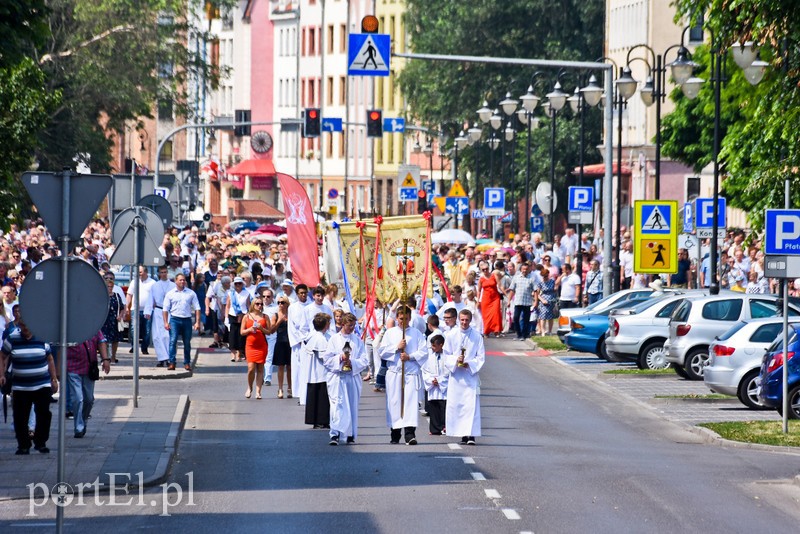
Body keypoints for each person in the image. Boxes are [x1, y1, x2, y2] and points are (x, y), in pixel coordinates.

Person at [0, 306, 58, 454]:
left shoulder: (42, 336)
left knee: (44, 414)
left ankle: (40, 442)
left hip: (42, 384)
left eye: (28, 326)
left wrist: (53, 378)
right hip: (21, 386)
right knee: (20, 417)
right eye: (22, 326)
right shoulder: (13, 338)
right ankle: (23, 445)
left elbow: (50, 359)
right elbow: (2, 356)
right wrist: (2, 374)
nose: (25, 329)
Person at [378, 305, 426, 445]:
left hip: (410, 374)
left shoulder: (416, 334)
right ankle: (395, 433)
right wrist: (396, 348)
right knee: (395, 403)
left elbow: (424, 352)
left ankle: (410, 434)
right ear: (396, 318)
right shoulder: (390, 333)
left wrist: (409, 356)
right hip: (395, 374)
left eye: (405, 318)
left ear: (410, 318)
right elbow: (382, 351)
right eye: (400, 318)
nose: (402, 321)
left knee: (410, 404)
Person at [323, 312, 369, 445]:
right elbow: (326, 359)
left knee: (351, 405)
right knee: (337, 406)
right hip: (338, 377)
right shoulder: (334, 340)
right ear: (343, 324)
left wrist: (352, 363)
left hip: (351, 377)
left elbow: (364, 359)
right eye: (349, 325)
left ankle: (350, 434)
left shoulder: (357, 340)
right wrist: (340, 358)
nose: (352, 328)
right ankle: (335, 434)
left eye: (354, 325)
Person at [443, 309, 484, 446]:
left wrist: (469, 364)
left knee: (470, 406)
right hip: (456, 377)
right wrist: (456, 360)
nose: (464, 322)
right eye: (462, 320)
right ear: (458, 319)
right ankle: (461, 433)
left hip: (469, 376)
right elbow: (446, 355)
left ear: (470, 320)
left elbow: (481, 357)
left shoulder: (477, 336)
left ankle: (471, 434)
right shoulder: (451, 335)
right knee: (457, 406)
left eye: (466, 320)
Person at [66, 330, 110, 438]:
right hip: (72, 367)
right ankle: (78, 427)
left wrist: (105, 359)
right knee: (77, 398)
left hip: (89, 369)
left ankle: (83, 420)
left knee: (89, 400)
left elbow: (101, 341)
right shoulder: (69, 326)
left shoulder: (93, 326)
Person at [162, 273, 202, 371]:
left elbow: (197, 308)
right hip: (175, 319)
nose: (182, 282)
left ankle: (187, 362)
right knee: (173, 340)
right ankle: (172, 362)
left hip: (186, 320)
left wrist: (197, 322)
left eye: (184, 280)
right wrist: (166, 322)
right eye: (180, 280)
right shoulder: (170, 294)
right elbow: (165, 309)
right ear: (176, 281)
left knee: (187, 342)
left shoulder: (191, 293)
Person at [240, 296, 271, 399]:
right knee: (251, 368)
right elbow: (242, 332)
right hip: (250, 346)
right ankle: (249, 387)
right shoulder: (247, 316)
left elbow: (269, 331)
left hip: (261, 345)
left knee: (260, 369)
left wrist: (261, 328)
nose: (259, 306)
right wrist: (250, 329)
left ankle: (258, 391)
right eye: (257, 304)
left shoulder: (265, 317)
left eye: (261, 304)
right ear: (253, 305)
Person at [305, 313, 332, 428]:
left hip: (315, 372)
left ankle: (317, 420)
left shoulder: (316, 335)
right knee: (321, 397)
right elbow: (323, 356)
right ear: (325, 325)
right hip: (320, 372)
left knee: (316, 396)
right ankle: (321, 420)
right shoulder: (320, 338)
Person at [146, 265, 176, 367]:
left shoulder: (173, 285)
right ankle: (161, 358)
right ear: (159, 274)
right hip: (158, 311)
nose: (163, 274)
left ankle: (169, 358)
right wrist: (148, 311)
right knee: (157, 336)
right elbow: (150, 299)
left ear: (167, 273)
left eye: (165, 272)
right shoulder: (155, 286)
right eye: (161, 272)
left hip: (169, 312)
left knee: (167, 336)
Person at [287, 284, 311, 401]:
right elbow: (291, 326)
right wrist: (299, 340)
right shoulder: (292, 307)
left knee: (308, 368)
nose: (303, 295)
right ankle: (298, 393)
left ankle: (308, 394)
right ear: (297, 294)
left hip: (309, 341)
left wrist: (308, 339)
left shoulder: (311, 306)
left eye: (305, 293)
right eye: (301, 293)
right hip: (297, 343)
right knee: (297, 369)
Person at [422, 334, 448, 435]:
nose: (432, 348)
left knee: (443, 407)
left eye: (434, 346)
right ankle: (435, 428)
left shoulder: (447, 357)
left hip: (443, 385)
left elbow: (449, 371)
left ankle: (444, 425)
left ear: (441, 345)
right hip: (433, 385)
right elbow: (425, 370)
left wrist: (440, 380)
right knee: (433, 406)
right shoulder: (430, 357)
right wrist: (431, 380)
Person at [126, 266, 155, 354]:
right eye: (138, 272)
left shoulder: (152, 283)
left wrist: (154, 306)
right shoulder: (134, 282)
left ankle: (144, 347)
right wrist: (127, 306)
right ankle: (134, 346)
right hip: (135, 309)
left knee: (147, 330)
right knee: (134, 329)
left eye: (140, 272)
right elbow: (129, 295)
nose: (139, 274)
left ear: (146, 272)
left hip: (148, 310)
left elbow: (155, 296)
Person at [507, 262, 537, 340]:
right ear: (521, 269)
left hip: (527, 302)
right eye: (523, 269)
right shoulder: (516, 278)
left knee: (526, 320)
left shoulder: (531, 278)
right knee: (516, 318)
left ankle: (524, 335)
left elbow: (536, 290)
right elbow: (512, 290)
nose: (524, 271)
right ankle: (518, 334)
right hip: (518, 301)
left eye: (526, 269)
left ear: (529, 270)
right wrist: (509, 301)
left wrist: (536, 301)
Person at [101, 273, 125, 364]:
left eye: (111, 286)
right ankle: (105, 357)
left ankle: (113, 357)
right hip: (104, 320)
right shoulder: (102, 296)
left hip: (114, 320)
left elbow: (122, 308)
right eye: (108, 286)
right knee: (104, 340)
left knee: (115, 340)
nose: (109, 288)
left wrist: (120, 316)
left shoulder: (117, 296)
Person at [226, 276, 251, 363]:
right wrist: (226, 318)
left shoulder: (246, 293)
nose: (238, 285)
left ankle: (239, 354)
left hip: (243, 315)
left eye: (239, 283)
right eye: (236, 284)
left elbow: (248, 305)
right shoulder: (230, 293)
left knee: (241, 336)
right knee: (232, 335)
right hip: (233, 315)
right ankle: (233, 353)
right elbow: (228, 306)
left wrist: (250, 315)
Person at [272, 296, 292, 398]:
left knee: (290, 367)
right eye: (279, 302)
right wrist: (279, 321)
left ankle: (290, 387)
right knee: (280, 366)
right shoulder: (275, 315)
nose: (280, 304)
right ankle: (280, 388)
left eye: (282, 302)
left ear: (287, 304)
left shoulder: (291, 314)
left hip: (290, 342)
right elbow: (272, 330)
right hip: (280, 342)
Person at [479, 261, 504, 337]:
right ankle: (486, 331)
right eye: (483, 270)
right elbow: (479, 290)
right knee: (486, 316)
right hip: (486, 299)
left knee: (496, 314)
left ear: (489, 268)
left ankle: (497, 331)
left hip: (495, 298)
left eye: (486, 269)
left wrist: (506, 293)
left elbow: (499, 285)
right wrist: (478, 301)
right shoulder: (481, 279)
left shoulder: (494, 275)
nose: (485, 271)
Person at [534, 268, 557, 336]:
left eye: (546, 276)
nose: (545, 277)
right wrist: (542, 300)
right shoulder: (540, 283)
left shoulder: (552, 281)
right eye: (544, 276)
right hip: (543, 300)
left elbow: (555, 290)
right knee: (543, 316)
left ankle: (550, 331)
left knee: (550, 317)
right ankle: (543, 331)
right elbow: (537, 294)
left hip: (551, 300)